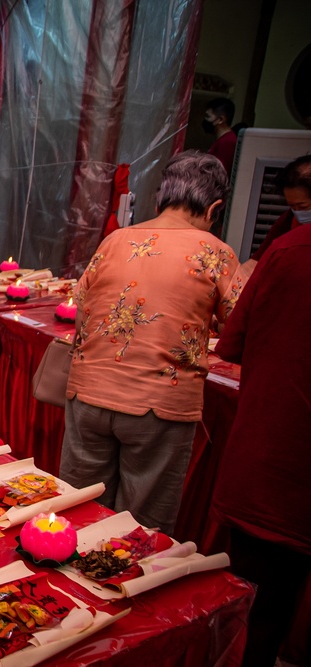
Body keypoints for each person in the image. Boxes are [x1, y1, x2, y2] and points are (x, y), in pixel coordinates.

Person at [58, 150, 244, 535]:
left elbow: (82, 303)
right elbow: (238, 327)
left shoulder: (116, 239)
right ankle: (125, 594)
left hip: (88, 396)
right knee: (139, 530)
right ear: (215, 208)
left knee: (79, 512)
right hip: (158, 407)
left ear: (161, 197)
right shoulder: (216, 252)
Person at [210, 221, 311, 667]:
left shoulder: (291, 250)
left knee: (255, 608)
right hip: (286, 466)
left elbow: (232, 340)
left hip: (275, 455)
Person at [246, 154, 311, 265]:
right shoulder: (289, 219)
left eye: (303, 206)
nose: (298, 212)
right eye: (292, 206)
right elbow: (258, 260)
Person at [204, 97, 237, 176]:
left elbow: (220, 175)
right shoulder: (222, 140)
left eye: (208, 116)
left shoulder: (227, 142)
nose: (205, 119)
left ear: (221, 119)